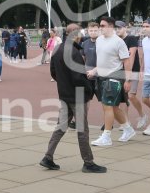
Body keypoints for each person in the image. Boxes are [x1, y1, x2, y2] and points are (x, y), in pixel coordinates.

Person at [39, 23, 107, 174]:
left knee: (61, 127)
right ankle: (88, 162)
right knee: (82, 130)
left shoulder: (58, 49)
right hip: (77, 95)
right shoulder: (74, 52)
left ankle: (48, 157)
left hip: (64, 93)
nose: (82, 35)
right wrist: (89, 90)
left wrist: (64, 83)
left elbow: (53, 72)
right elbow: (78, 77)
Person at [91, 17, 136, 147]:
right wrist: (95, 70)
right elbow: (102, 59)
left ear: (111, 26)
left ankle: (107, 136)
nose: (100, 28)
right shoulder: (99, 40)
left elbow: (126, 62)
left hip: (115, 77)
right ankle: (128, 129)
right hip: (101, 77)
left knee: (107, 106)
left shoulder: (119, 42)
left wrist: (128, 80)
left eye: (103, 25)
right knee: (114, 108)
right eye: (100, 25)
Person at [116, 21, 147, 128]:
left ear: (125, 28)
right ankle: (126, 122)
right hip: (120, 71)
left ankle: (142, 115)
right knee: (123, 98)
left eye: (120, 28)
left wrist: (128, 74)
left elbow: (132, 55)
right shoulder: (117, 41)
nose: (117, 30)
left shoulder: (131, 39)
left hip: (132, 71)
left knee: (131, 95)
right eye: (116, 28)